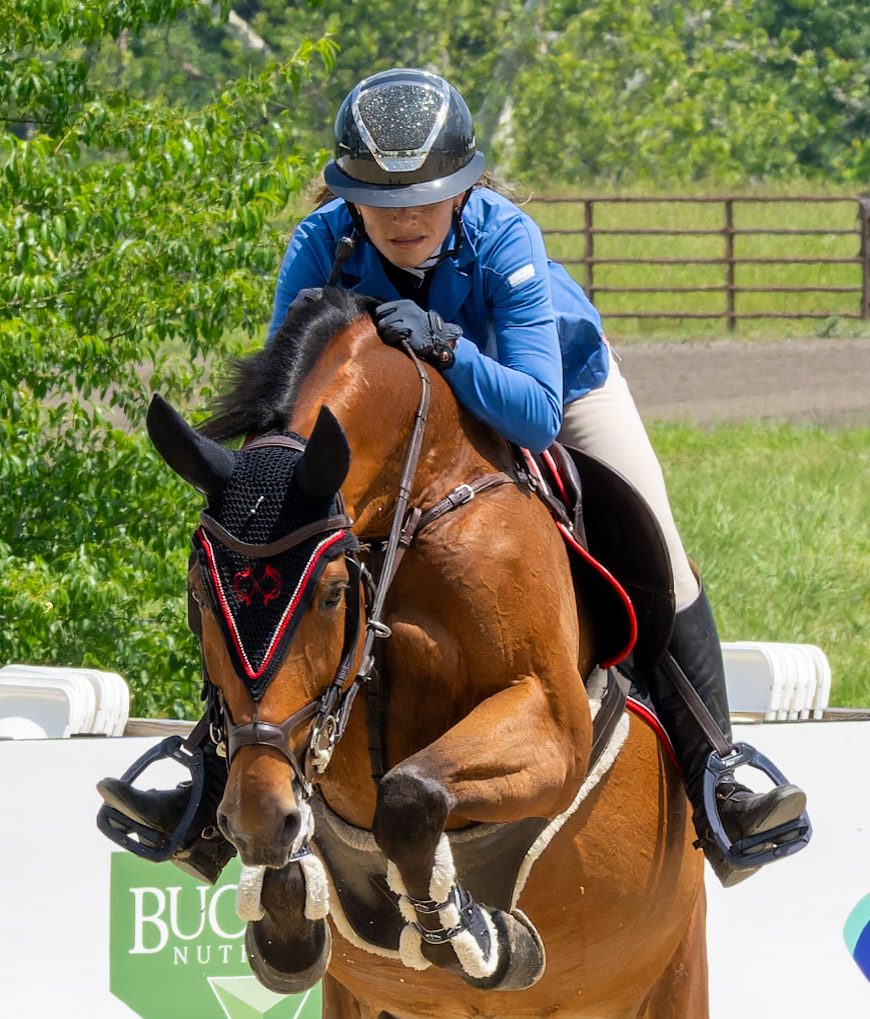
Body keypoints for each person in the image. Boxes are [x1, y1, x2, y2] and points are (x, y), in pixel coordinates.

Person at [99, 68, 808, 886]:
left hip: (548, 387)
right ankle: (214, 769)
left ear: (463, 189)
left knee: (657, 533)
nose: (405, 220)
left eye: (427, 199)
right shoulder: (321, 244)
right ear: (347, 196)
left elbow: (537, 413)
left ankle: (719, 772)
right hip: (402, 436)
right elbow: (283, 413)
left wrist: (445, 346)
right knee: (272, 545)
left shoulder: (505, 235)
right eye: (381, 201)